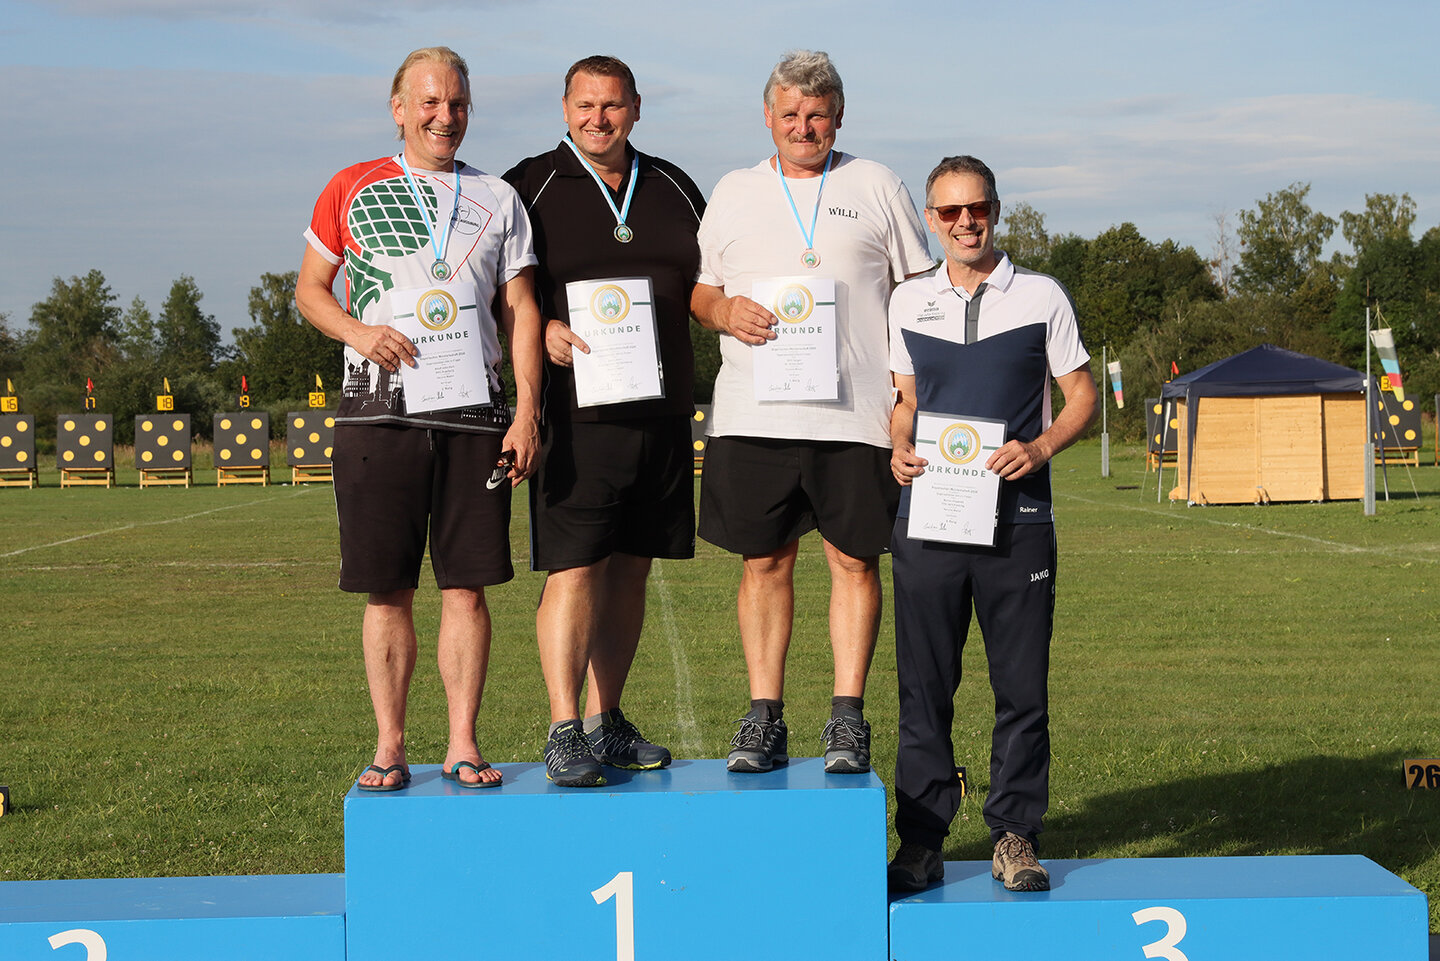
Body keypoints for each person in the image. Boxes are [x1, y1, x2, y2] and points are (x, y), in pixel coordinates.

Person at [295, 46, 542, 792]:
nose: (445, 115)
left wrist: (527, 410)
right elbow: (310, 291)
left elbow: (520, 308)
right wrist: (359, 332)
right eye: (430, 102)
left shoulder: (499, 197)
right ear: (399, 109)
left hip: (475, 419)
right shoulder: (350, 185)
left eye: (457, 102)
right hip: (379, 417)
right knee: (388, 589)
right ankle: (390, 745)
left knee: (466, 588)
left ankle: (463, 742)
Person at [689, 50, 933, 774]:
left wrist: (907, 397)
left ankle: (847, 718)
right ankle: (764, 716)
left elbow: (918, 296)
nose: (804, 127)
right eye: (790, 114)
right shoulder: (733, 190)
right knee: (764, 562)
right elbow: (700, 292)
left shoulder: (877, 183)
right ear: (767, 116)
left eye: (817, 115)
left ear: (839, 117)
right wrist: (725, 311)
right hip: (754, 415)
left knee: (854, 560)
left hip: (856, 416)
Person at [884, 155, 1098, 892]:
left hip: (1019, 521)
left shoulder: (1042, 295)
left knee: (1021, 687)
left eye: (976, 208)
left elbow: (1081, 395)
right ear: (931, 220)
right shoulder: (907, 300)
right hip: (928, 518)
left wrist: (1040, 447)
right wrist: (897, 446)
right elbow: (906, 400)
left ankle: (1014, 835)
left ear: (996, 211)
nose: (965, 222)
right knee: (924, 689)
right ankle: (922, 842)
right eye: (949, 211)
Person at [503, 56, 705, 788]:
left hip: (660, 416)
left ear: (636, 108)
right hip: (575, 416)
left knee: (631, 568)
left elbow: (707, 284)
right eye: (585, 105)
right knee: (576, 567)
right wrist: (544, 328)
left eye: (612, 105)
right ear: (565, 108)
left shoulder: (675, 186)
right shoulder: (528, 185)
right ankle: (564, 728)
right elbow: (498, 290)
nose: (599, 118)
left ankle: (606, 718)